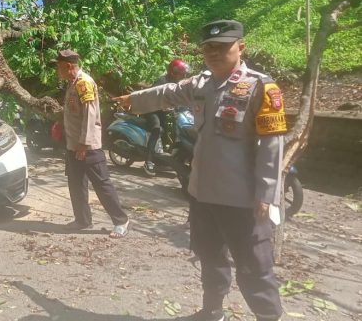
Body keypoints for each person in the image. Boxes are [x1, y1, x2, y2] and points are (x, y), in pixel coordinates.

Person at [113, 20, 285, 321]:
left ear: (240, 47)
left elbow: (272, 145)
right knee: (210, 256)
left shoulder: (261, 86)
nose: (214, 53)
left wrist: (266, 195)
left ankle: (269, 316)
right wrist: (134, 101)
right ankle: (212, 311)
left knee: (253, 266)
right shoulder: (202, 84)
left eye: (222, 47)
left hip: (242, 199)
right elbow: (168, 92)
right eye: (208, 48)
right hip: (202, 193)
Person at [56, 49, 130, 239]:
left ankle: (121, 220)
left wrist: (84, 143)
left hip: (87, 146)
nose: (57, 70)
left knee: (102, 184)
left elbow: (90, 116)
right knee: (76, 184)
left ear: (68, 66)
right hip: (73, 144)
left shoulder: (84, 83)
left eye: (59, 67)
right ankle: (82, 220)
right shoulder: (72, 83)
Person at [142, 58, 190, 176]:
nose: (182, 76)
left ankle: (162, 159)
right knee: (157, 129)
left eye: (183, 74)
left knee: (173, 130)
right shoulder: (162, 81)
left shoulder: (177, 83)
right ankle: (148, 161)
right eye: (181, 74)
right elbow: (153, 96)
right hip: (151, 110)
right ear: (173, 72)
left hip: (164, 111)